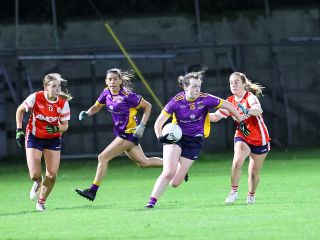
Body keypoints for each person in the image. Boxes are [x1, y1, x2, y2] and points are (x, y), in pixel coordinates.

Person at [145, 68, 249, 208]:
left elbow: (229, 105)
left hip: (195, 141)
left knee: (175, 183)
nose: (197, 89)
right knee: (168, 171)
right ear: (185, 87)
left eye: (199, 86)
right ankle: (151, 202)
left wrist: (241, 122)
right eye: (194, 86)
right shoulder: (176, 101)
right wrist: (160, 137)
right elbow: (158, 123)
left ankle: (178, 166)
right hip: (177, 137)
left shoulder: (205, 98)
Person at [75, 68, 163, 201]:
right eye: (109, 79)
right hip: (121, 133)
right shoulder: (106, 92)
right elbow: (97, 106)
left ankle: (92, 191)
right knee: (143, 163)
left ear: (121, 81)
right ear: (106, 81)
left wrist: (142, 125)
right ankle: (176, 166)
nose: (112, 82)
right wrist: (87, 113)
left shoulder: (128, 95)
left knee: (102, 158)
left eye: (115, 79)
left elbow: (148, 106)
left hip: (129, 133)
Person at [210, 72, 270, 204]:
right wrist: (198, 115)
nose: (233, 84)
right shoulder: (230, 101)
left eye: (236, 82)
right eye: (231, 82)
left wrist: (247, 111)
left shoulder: (250, 97)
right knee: (237, 162)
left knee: (253, 173)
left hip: (260, 139)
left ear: (244, 84)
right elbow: (215, 117)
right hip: (243, 134)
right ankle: (233, 192)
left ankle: (251, 195)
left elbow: (258, 110)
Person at [15, 73, 72, 211]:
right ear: (46, 87)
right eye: (54, 86)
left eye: (59, 86)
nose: (57, 89)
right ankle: (38, 182)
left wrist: (55, 128)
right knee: (34, 174)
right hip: (34, 136)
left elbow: (65, 126)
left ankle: (41, 203)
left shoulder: (63, 102)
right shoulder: (36, 97)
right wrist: (19, 129)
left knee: (52, 175)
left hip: (52, 139)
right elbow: (20, 110)